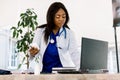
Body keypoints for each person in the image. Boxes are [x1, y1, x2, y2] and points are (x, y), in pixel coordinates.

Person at [29, 2, 80, 73]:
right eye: (58, 17)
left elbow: (75, 54)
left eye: (63, 16)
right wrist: (33, 51)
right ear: (51, 17)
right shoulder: (40, 31)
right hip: (44, 73)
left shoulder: (69, 33)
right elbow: (34, 47)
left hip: (62, 74)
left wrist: (79, 70)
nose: (61, 19)